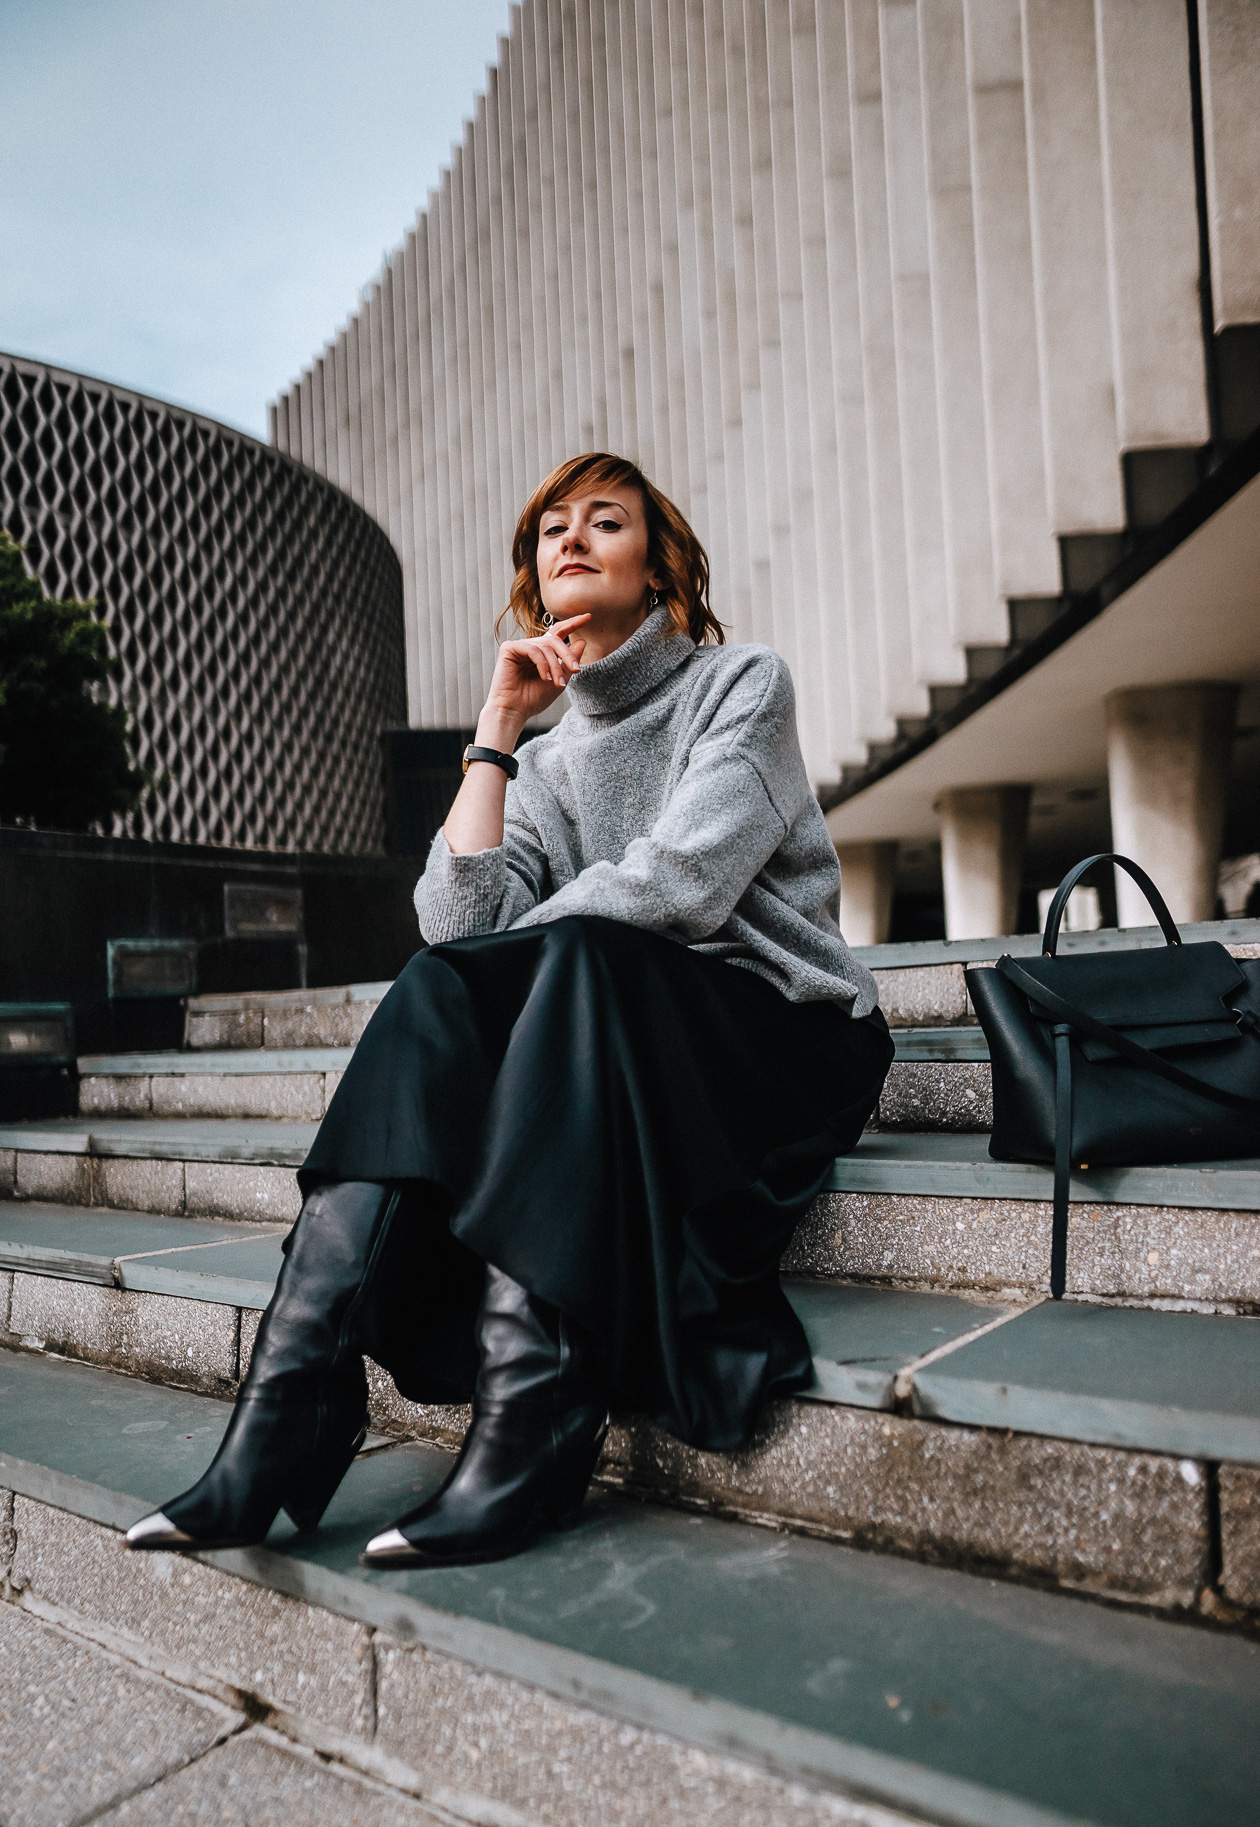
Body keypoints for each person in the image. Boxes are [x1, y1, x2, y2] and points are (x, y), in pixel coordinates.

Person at [126, 452, 892, 1569]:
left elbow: (678, 887)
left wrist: (514, 968)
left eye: (606, 522)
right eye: (550, 533)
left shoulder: (741, 686)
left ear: (661, 568)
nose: (571, 540)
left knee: (579, 952)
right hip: (609, 1034)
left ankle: (531, 1425)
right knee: (446, 985)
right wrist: (495, 726)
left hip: (780, 1036)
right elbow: (454, 921)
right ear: (534, 581)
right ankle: (291, 1407)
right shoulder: (542, 758)